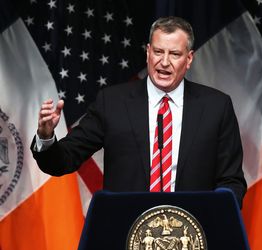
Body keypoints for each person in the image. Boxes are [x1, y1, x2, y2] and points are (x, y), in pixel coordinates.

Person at [31, 16, 246, 208]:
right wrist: (46, 136)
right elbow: (63, 161)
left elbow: (231, 182)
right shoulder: (113, 102)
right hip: (126, 235)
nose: (164, 62)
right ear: (148, 52)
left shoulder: (216, 107)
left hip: (189, 240)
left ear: (189, 59)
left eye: (174, 54)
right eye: (158, 52)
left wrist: (215, 221)